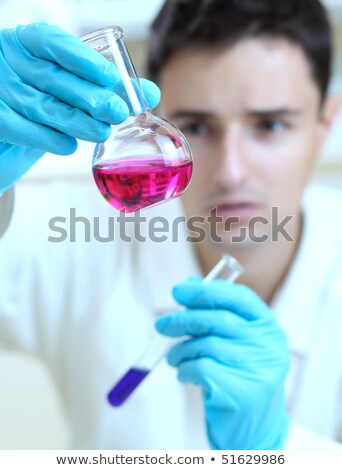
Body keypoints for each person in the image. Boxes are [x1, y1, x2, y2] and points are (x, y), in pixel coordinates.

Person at [0, 0, 342, 450]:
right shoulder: (82, 239)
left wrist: (276, 447)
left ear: (325, 123)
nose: (232, 171)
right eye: (197, 127)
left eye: (270, 125)